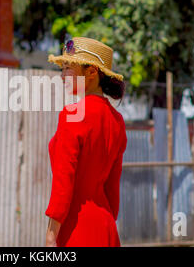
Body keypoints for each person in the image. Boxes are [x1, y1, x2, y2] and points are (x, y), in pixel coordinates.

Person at [45, 37, 127, 247]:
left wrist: (51, 235)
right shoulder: (117, 120)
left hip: (77, 230)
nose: (62, 76)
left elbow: (63, 183)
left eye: (68, 68)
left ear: (91, 72)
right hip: (106, 227)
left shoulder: (72, 115)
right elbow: (112, 190)